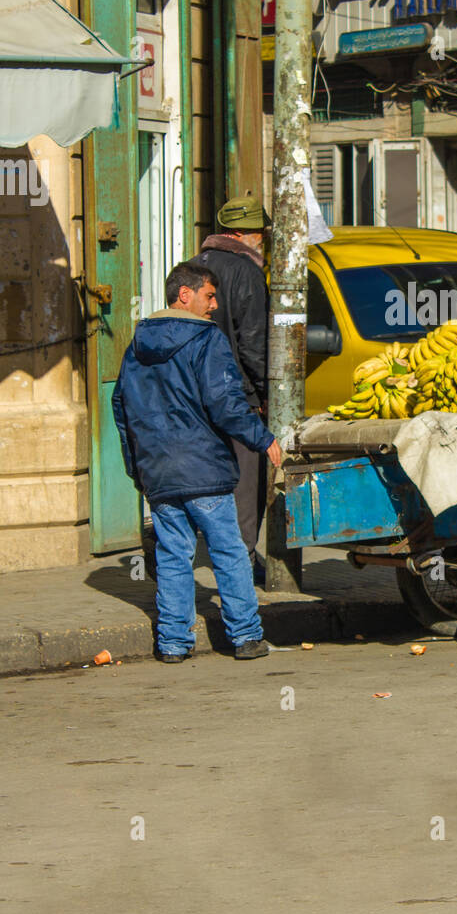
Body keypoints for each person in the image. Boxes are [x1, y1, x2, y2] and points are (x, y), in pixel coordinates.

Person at [112, 261, 283, 662]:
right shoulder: (207, 340)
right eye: (209, 296)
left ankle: (173, 643)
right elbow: (225, 404)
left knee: (173, 555)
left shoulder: (136, 344)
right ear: (184, 294)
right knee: (229, 552)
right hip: (204, 468)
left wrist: (136, 468)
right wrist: (263, 439)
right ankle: (245, 637)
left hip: (160, 471)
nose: (214, 305)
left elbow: (121, 409)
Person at [195, 194, 271, 580]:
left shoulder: (191, 267)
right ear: (241, 233)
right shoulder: (246, 272)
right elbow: (254, 341)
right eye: (260, 232)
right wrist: (264, 393)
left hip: (194, 395)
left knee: (205, 476)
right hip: (238, 395)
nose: (263, 239)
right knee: (245, 481)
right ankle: (241, 559)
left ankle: (206, 550)